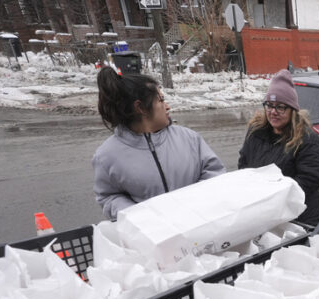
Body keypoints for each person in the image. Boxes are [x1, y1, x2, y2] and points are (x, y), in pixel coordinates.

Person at [92, 67, 225, 220]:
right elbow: (109, 197)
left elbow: (215, 173)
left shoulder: (189, 138)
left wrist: (195, 204)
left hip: (199, 226)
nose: (167, 106)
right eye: (161, 100)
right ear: (140, 107)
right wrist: (139, 217)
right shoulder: (106, 156)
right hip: (152, 238)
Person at [237, 69, 319, 226]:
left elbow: (310, 180)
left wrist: (272, 193)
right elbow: (244, 164)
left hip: (297, 220)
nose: (273, 112)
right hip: (262, 214)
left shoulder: (306, 139)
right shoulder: (255, 132)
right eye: (269, 105)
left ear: (292, 109)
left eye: (280, 107)